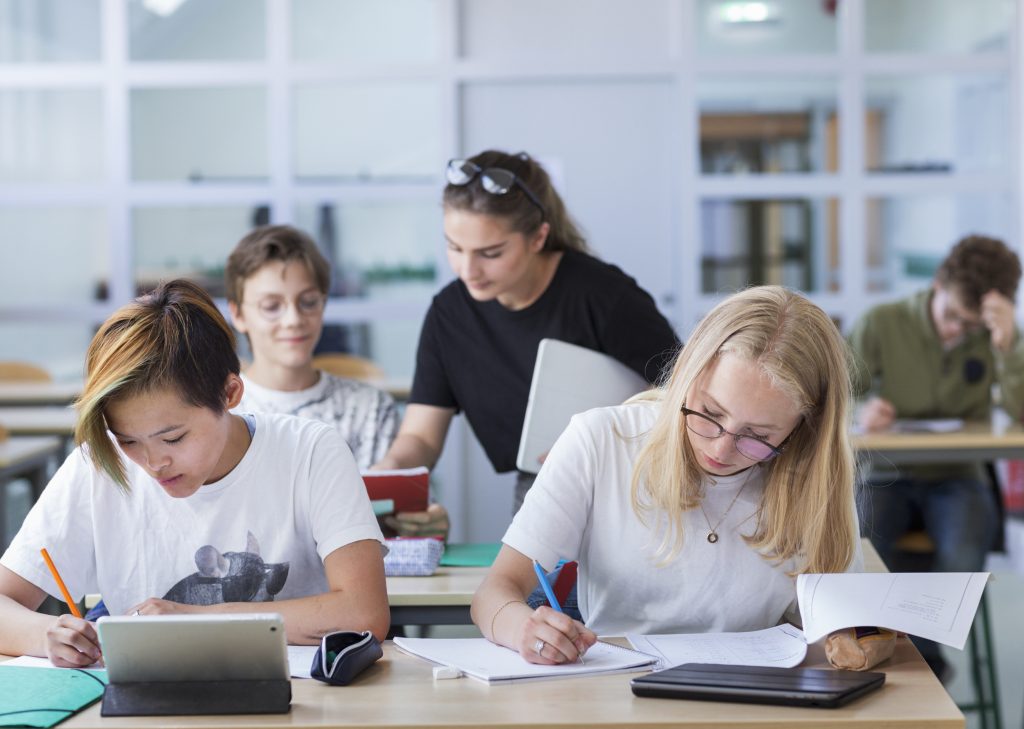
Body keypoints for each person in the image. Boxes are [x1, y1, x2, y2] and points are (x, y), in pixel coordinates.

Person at [0, 280, 389, 667]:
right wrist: (47, 635)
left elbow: (363, 613)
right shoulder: (99, 466)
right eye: (129, 441)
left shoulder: (311, 451)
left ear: (231, 393)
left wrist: (190, 619)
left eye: (173, 438)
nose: (154, 463)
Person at [470, 286, 862, 664]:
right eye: (709, 413)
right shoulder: (601, 440)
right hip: (615, 692)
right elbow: (493, 593)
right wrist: (521, 626)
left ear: (802, 429)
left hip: (753, 700)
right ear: (687, 377)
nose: (720, 449)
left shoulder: (812, 477)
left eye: (758, 436)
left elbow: (837, 629)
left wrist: (855, 637)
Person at [374, 150, 680, 532]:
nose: (468, 270)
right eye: (454, 247)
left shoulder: (604, 296)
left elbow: (680, 395)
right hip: (539, 485)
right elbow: (420, 435)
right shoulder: (449, 315)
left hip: (633, 485)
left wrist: (603, 446)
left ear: (538, 237)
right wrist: (388, 472)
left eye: (490, 253)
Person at [848, 234, 1024, 679]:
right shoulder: (881, 322)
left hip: (958, 474)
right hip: (885, 473)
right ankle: (871, 646)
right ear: (938, 284)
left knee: (966, 543)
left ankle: (922, 663)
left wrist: (1009, 346)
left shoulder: (995, 336)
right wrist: (862, 410)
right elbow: (833, 397)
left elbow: (1021, 412)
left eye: (969, 327)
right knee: (863, 540)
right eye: (950, 317)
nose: (955, 331)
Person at [225, 224, 398, 472]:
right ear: (238, 314)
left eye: (308, 302)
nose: (293, 319)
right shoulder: (220, 413)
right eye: (272, 306)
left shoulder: (370, 410)